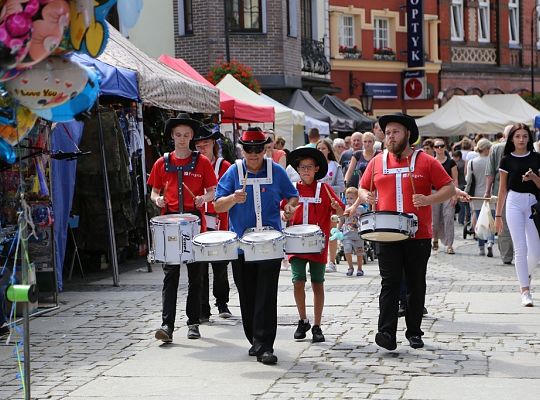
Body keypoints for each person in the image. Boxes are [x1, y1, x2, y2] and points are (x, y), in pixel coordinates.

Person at [346, 113, 455, 350]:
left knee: (416, 284)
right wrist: (367, 196)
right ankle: (386, 332)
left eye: (395, 132)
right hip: (385, 232)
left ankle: (414, 331)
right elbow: (363, 188)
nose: (390, 137)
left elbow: (449, 188)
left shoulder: (425, 161)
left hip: (419, 234)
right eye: (387, 133)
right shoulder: (376, 161)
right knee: (390, 282)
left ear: (407, 134)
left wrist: (429, 199)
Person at [214, 127, 299, 365]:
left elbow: (292, 195)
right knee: (247, 294)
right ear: (242, 149)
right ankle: (255, 339)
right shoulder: (234, 171)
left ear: (265, 148)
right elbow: (217, 205)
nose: (253, 154)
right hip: (241, 245)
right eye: (249, 149)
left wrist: (290, 207)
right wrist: (232, 199)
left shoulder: (276, 170)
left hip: (270, 243)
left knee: (266, 295)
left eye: (258, 149)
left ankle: (265, 345)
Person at [148, 113, 217, 343]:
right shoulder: (161, 162)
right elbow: (154, 191)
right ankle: (167, 324)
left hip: (194, 222)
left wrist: (202, 198)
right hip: (169, 223)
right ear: (172, 136)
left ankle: (193, 322)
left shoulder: (203, 162)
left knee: (196, 275)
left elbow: (212, 190)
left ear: (192, 137)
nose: (182, 139)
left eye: (186, 135)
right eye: (178, 134)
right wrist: (157, 200)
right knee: (171, 275)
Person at [284, 147, 344, 343]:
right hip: (296, 244)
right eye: (302, 167)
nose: (306, 171)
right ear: (298, 169)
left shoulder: (325, 189)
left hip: (318, 245)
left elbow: (341, 210)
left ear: (317, 169)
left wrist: (338, 209)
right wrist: (287, 213)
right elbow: (284, 211)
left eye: (310, 167)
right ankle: (302, 319)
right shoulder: (292, 189)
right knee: (297, 281)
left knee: (318, 283)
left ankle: (317, 325)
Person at [494, 123, 540, 307]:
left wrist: (534, 178)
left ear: (529, 138)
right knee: (520, 248)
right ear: (511, 139)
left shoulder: (537, 158)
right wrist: (498, 216)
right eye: (518, 136)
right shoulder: (506, 160)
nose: (521, 139)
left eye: (525, 136)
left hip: (532, 204)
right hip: (513, 203)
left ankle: (525, 274)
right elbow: (503, 189)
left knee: (536, 252)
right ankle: (525, 291)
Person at [192, 125, 233, 322]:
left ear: (213, 145)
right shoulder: (193, 165)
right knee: (200, 268)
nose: (202, 148)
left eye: (205, 144)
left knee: (219, 266)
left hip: (219, 222)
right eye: (198, 145)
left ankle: (222, 302)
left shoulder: (224, 166)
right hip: (200, 222)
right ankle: (203, 309)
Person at [485, 125, 514, 264]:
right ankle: (519, 253)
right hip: (518, 191)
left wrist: (487, 191)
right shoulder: (522, 147)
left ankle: (506, 256)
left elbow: (490, 172)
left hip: (500, 190)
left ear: (504, 135)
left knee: (503, 224)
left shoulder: (496, 148)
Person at [316, 138, 345, 273]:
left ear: (328, 150)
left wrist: (325, 187)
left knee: (332, 233)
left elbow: (341, 186)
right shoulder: (313, 165)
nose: (321, 151)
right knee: (316, 233)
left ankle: (331, 261)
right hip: (316, 203)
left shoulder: (335, 166)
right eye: (318, 149)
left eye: (323, 148)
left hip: (331, 203)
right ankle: (316, 261)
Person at [466, 139, 495, 257]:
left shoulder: (472, 162)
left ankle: (481, 247)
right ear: (487, 149)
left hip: (476, 195)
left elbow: (469, 180)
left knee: (479, 222)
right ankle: (490, 242)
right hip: (491, 194)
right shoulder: (492, 161)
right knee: (491, 222)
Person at [432, 138, 458, 254]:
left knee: (448, 218)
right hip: (434, 193)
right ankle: (435, 238)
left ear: (445, 147)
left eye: (441, 146)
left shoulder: (451, 162)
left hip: (448, 192)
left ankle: (449, 244)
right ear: (434, 149)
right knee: (435, 219)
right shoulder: (432, 161)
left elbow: (455, 179)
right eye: (437, 146)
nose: (439, 148)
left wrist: (455, 195)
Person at [339, 187, 365, 277]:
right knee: (347, 249)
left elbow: (364, 219)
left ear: (357, 198)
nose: (349, 200)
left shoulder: (361, 209)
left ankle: (360, 268)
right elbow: (342, 220)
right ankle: (350, 267)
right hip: (347, 234)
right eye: (347, 198)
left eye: (351, 198)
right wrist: (338, 229)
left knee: (359, 252)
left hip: (358, 234)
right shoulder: (345, 208)